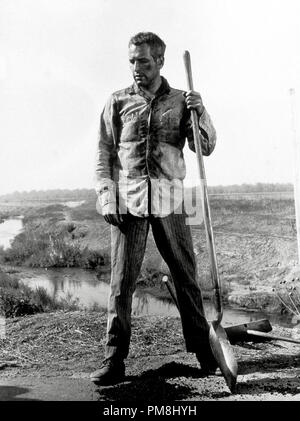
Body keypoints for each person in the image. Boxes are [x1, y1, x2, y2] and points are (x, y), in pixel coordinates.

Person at [91, 32, 217, 386]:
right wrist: (107, 196)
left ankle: (204, 351)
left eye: (143, 61)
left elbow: (205, 148)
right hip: (127, 202)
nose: (136, 68)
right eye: (131, 60)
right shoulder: (116, 102)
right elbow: (104, 155)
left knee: (186, 278)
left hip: (172, 200)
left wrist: (201, 112)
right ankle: (114, 358)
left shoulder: (181, 101)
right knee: (121, 283)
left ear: (160, 61)